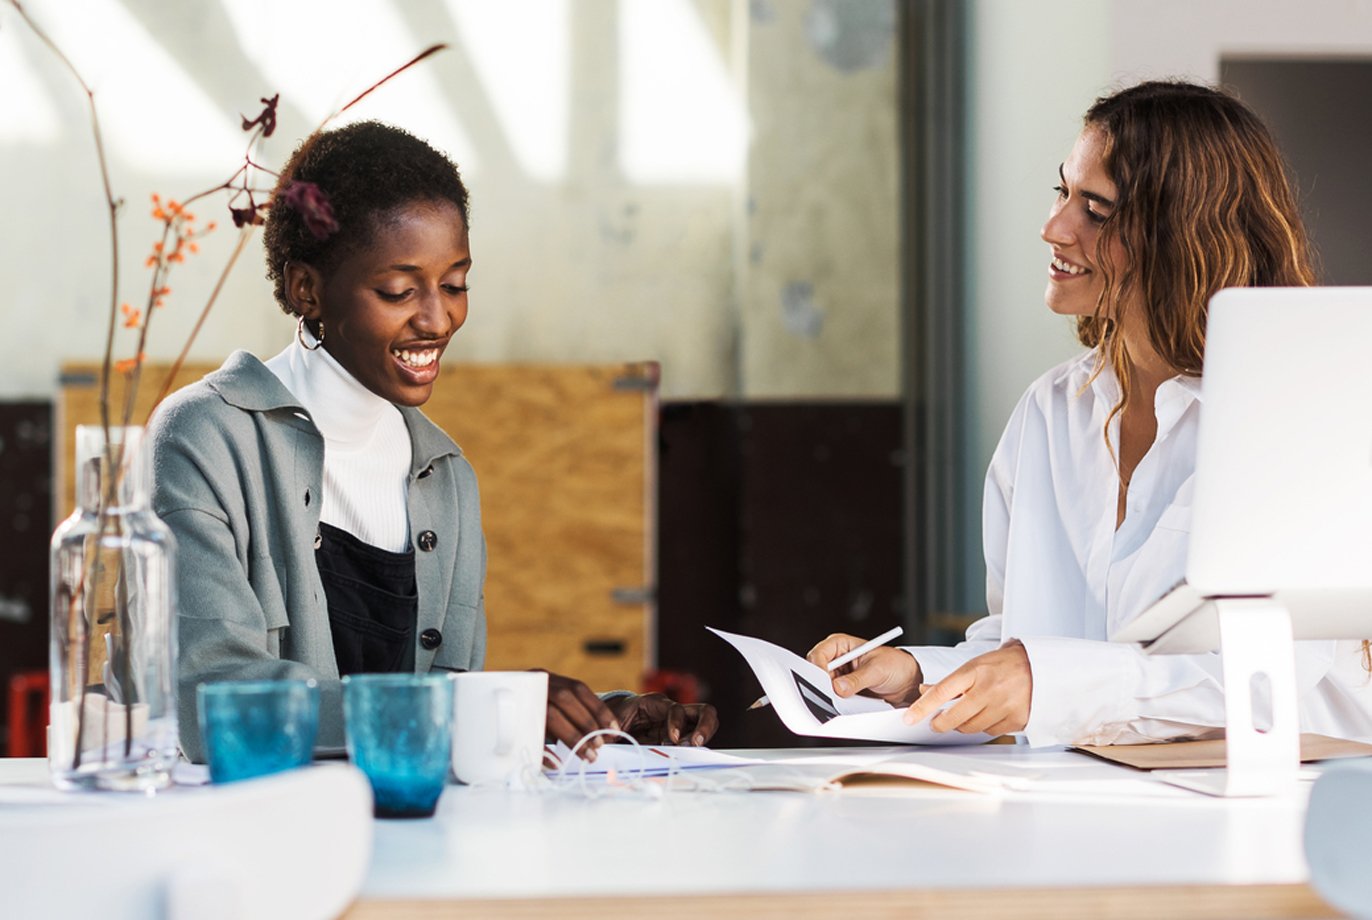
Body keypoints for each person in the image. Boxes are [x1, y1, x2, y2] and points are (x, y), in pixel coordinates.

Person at [808, 79, 1372, 747]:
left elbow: (1266, 677)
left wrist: (1043, 681)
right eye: (1062, 192)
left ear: (1181, 234)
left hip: (1295, 816)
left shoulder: (1299, 415)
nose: (1054, 228)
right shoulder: (1050, 413)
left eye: (1096, 210)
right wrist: (916, 679)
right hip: (1099, 814)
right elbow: (1025, 654)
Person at [148, 121, 717, 762]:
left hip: (412, 834)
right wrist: (488, 705)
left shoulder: (445, 475)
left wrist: (585, 724)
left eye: (455, 284)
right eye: (398, 290)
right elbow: (211, 703)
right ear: (306, 288)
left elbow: (439, 708)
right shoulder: (205, 436)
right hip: (255, 835)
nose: (437, 318)